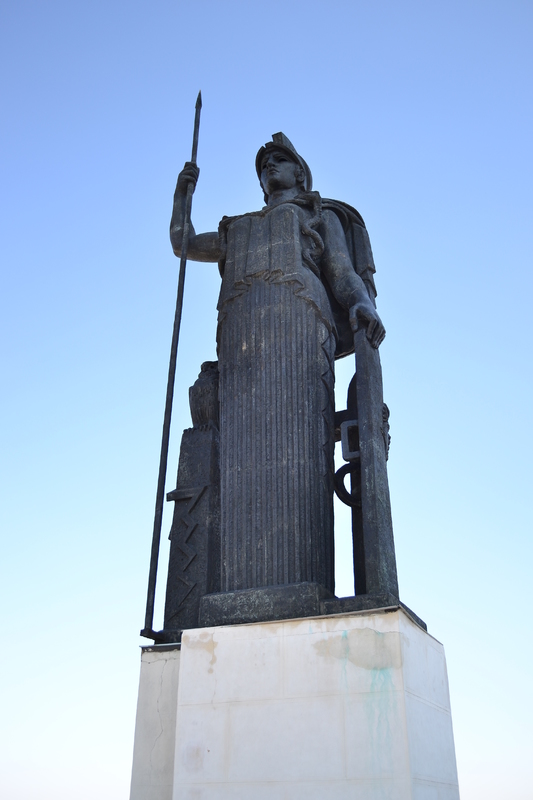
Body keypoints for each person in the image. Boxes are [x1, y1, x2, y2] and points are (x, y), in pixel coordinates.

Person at [170, 133, 385, 597]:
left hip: (300, 327)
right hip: (241, 337)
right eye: (264, 164)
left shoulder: (316, 215)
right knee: (236, 461)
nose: (269, 168)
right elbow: (183, 244)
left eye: (278, 160)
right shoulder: (238, 227)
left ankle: (302, 585)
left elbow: (342, 273)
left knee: (301, 450)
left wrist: (361, 304)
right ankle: (231, 597)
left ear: (299, 172)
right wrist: (181, 197)